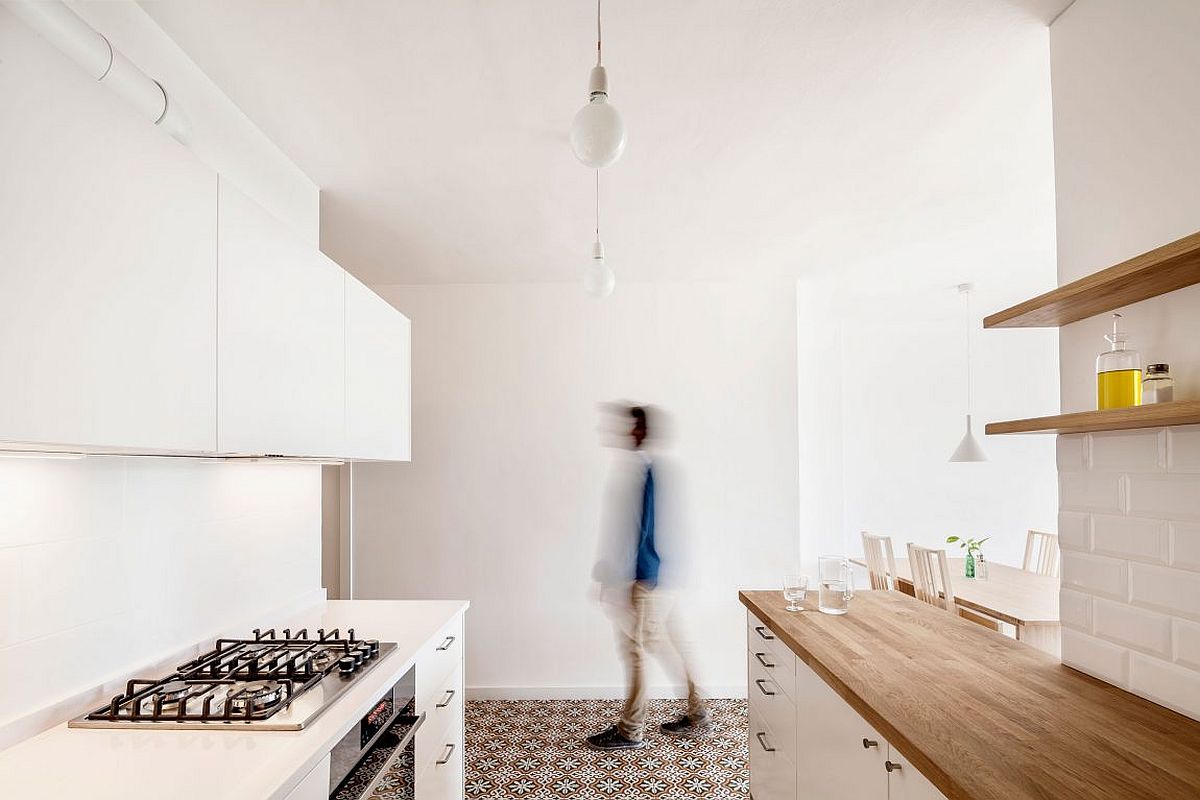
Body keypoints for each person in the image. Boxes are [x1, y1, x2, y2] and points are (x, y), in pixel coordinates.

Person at [586, 405, 711, 751]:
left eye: (630, 426)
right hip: (660, 573)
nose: (624, 431)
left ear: (640, 431)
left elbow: (639, 530)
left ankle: (631, 730)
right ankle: (697, 712)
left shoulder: (643, 472)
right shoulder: (647, 469)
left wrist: (619, 578)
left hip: (648, 575)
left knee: (635, 647)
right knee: (662, 642)